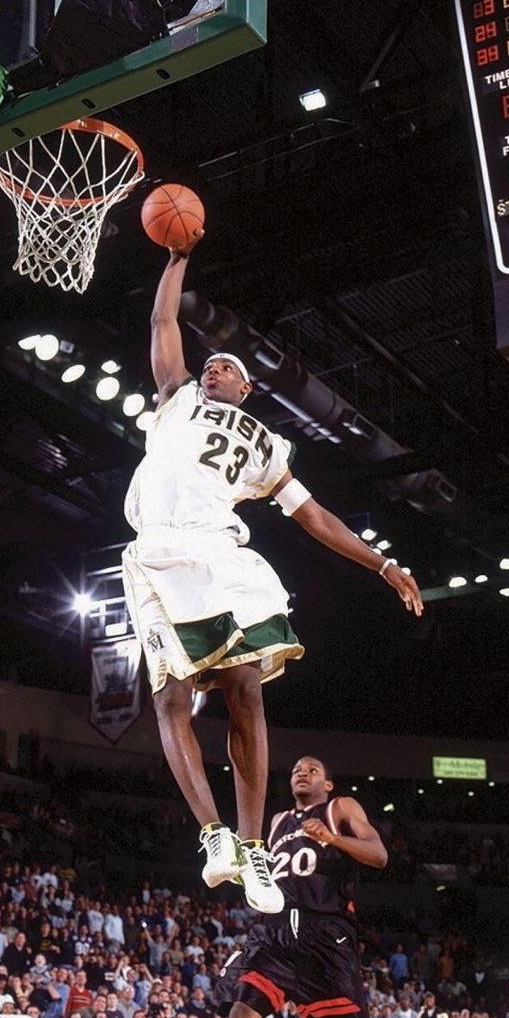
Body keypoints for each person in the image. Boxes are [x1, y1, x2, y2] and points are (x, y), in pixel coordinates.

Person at [124, 247, 424, 914]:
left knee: (245, 692)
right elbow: (160, 321)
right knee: (171, 700)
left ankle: (254, 847)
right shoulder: (174, 400)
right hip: (157, 555)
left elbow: (313, 515)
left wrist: (380, 562)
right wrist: (179, 255)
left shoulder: (266, 444)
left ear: (246, 389)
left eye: (226, 366)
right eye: (209, 365)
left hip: (223, 558)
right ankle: (214, 838)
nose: (213, 368)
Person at [171, 756, 457, 1018]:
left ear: (328, 783)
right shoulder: (273, 823)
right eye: (295, 771)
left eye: (313, 770)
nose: (302, 773)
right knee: (241, 1014)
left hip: (325, 934)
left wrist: (332, 839)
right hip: (273, 932)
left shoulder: (341, 807)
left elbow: (379, 856)